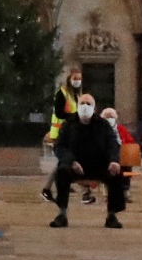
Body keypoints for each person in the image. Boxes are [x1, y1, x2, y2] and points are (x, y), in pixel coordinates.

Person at [48, 93, 128, 228]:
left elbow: (113, 144)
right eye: (82, 103)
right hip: (75, 165)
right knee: (61, 171)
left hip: (98, 165)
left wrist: (114, 160)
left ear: (94, 108)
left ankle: (112, 215)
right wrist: (71, 161)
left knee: (116, 174)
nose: (85, 107)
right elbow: (60, 146)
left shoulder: (102, 125)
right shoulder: (69, 124)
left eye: (89, 104)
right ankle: (62, 213)